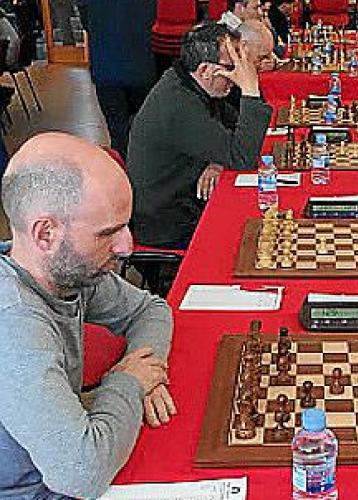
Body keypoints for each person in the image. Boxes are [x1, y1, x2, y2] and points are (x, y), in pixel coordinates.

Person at [0, 132, 174, 499]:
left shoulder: (66, 269)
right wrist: (128, 383)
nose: (127, 247)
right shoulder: (14, 323)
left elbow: (150, 309)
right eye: (108, 233)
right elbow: (82, 474)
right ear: (45, 233)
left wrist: (146, 371)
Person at [127, 21, 272, 249]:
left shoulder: (189, 81)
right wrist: (250, 89)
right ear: (205, 70)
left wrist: (216, 160)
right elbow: (243, 158)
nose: (238, 74)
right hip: (168, 222)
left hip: (188, 199)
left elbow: (235, 126)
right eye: (233, 66)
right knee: (257, 237)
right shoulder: (179, 104)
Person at [75, 0, 157, 159]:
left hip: (106, 65)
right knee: (144, 128)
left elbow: (85, 19)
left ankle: (122, 168)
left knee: (117, 130)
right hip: (141, 63)